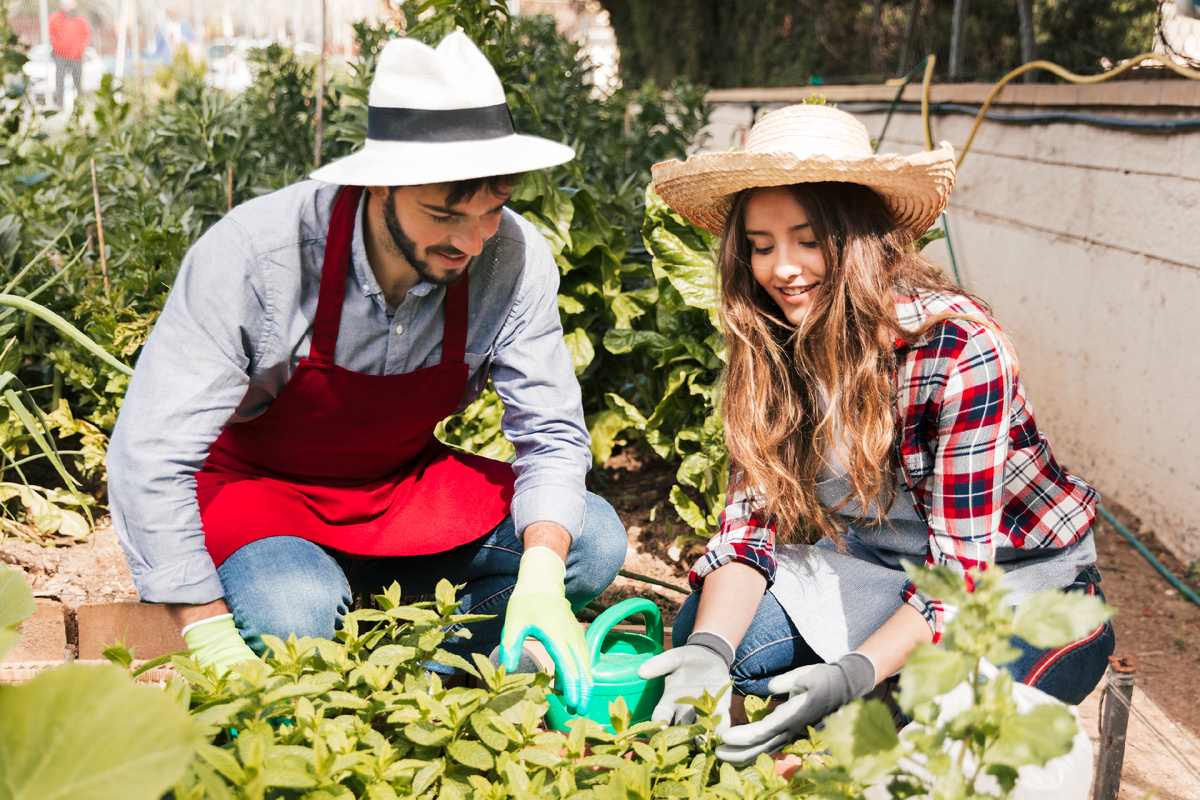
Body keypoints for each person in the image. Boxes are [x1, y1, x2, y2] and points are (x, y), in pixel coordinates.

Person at [107, 32, 627, 714]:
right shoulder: (257, 255)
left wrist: (537, 579)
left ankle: (396, 668)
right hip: (263, 495)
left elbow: (551, 436)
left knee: (587, 539)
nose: (470, 240)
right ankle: (363, 641)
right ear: (378, 183)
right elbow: (148, 456)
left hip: (398, 491)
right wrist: (208, 636)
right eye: (443, 212)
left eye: (490, 210)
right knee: (293, 610)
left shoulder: (512, 258)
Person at [638, 104, 1114, 763]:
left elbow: (959, 577)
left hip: (1016, 584)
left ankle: (886, 687)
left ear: (859, 235)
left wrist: (851, 673)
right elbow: (747, 528)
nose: (782, 270)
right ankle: (879, 680)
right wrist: (708, 653)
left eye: (807, 239)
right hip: (883, 569)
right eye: (762, 245)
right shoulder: (771, 344)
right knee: (712, 630)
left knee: (965, 732)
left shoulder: (952, 347)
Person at [47, 0, 91, 109]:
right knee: (59, 80)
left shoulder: (81, 19)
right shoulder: (54, 18)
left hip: (76, 56)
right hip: (60, 55)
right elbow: (51, 34)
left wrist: (79, 50)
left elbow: (86, 36)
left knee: (78, 81)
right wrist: (58, 47)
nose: (66, 5)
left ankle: (81, 105)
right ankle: (59, 104)